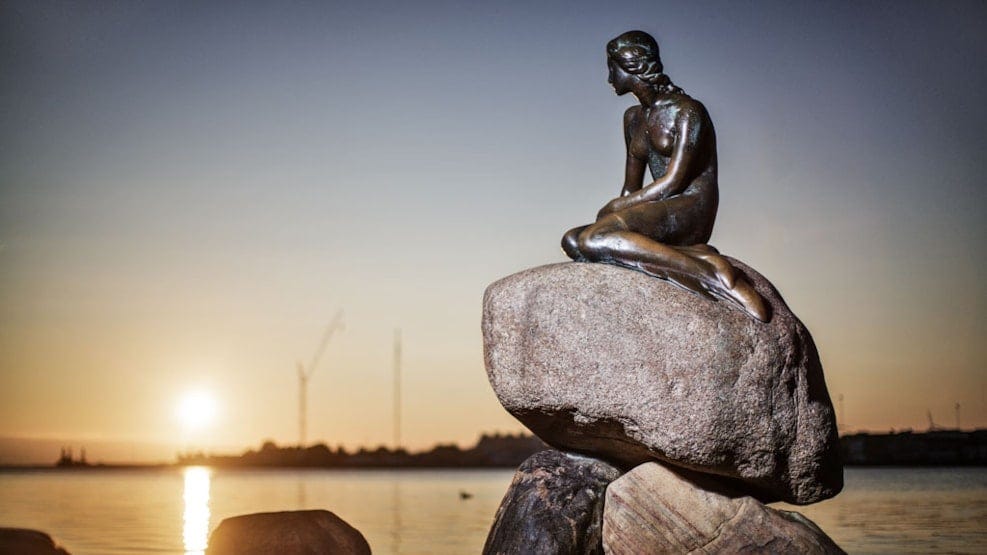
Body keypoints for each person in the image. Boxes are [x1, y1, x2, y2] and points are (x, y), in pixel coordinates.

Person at [561, 30, 767, 321]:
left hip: (690, 208)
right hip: (657, 206)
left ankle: (713, 275)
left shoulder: (688, 111)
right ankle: (694, 257)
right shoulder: (632, 119)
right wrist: (613, 211)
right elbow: (630, 188)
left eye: (612, 68)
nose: (609, 78)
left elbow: (674, 182)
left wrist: (614, 211)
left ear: (631, 66)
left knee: (595, 240)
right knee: (573, 240)